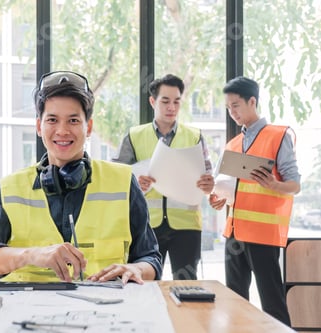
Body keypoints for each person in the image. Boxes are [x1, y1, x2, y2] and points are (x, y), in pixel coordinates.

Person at [0, 71, 162, 284]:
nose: (62, 130)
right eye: (52, 120)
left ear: (89, 128)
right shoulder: (11, 188)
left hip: (106, 310)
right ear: (39, 126)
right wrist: (31, 255)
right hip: (26, 311)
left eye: (73, 120)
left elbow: (151, 259)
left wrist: (136, 268)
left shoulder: (123, 182)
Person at [209, 76, 300, 326]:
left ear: (253, 101)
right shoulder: (234, 143)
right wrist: (219, 199)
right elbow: (231, 187)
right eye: (228, 107)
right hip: (234, 234)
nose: (232, 112)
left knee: (272, 304)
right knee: (234, 302)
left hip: (263, 235)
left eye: (236, 105)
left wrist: (273, 184)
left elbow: (294, 185)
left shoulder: (278, 136)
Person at [113, 74, 214, 280]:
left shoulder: (195, 136)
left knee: (186, 287)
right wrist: (135, 183)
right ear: (153, 101)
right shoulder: (134, 136)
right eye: (165, 101)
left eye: (176, 102)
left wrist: (208, 183)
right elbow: (117, 177)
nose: (172, 107)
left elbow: (208, 176)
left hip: (186, 226)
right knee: (143, 284)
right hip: (146, 225)